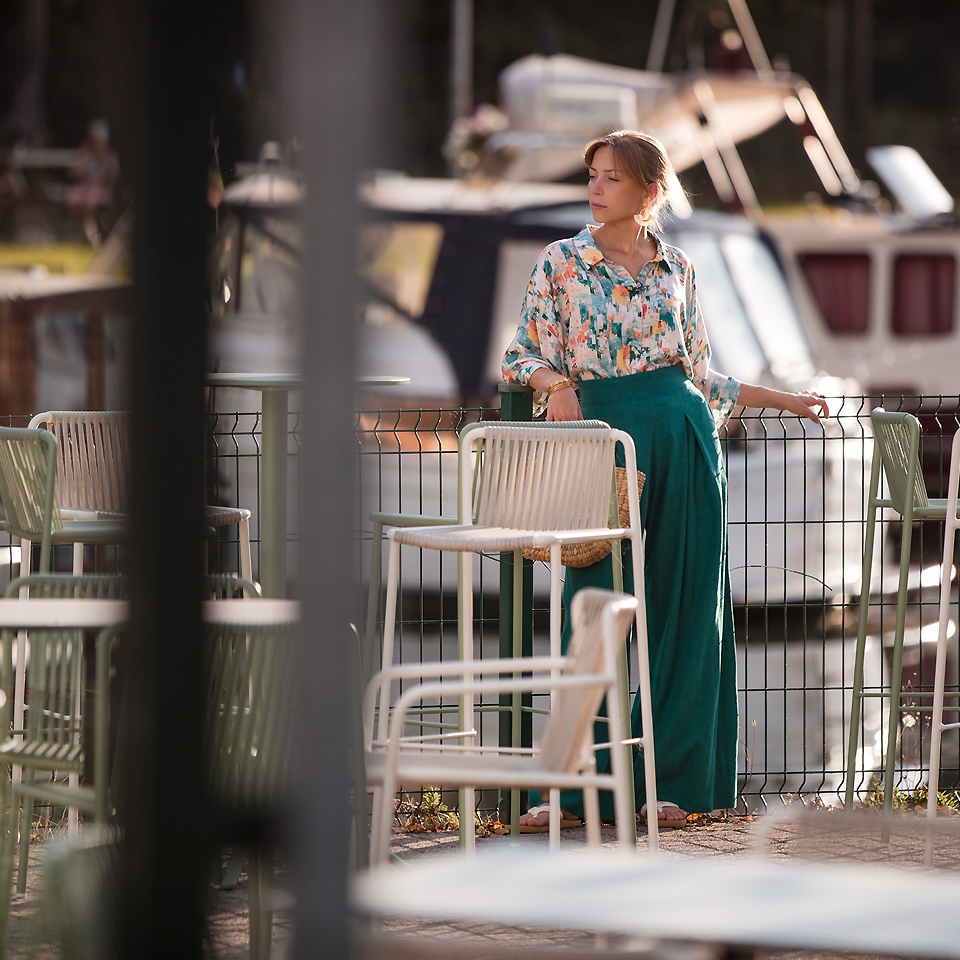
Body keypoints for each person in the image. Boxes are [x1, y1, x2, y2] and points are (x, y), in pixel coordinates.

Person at [501, 130, 828, 830]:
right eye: (592, 174)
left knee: (686, 608)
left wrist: (787, 401)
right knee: (591, 607)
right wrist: (556, 384)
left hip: (683, 433)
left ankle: (672, 784)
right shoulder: (560, 261)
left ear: (649, 191)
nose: (595, 187)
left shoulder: (677, 265)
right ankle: (573, 790)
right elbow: (521, 353)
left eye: (612, 177)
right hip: (603, 438)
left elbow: (700, 372)